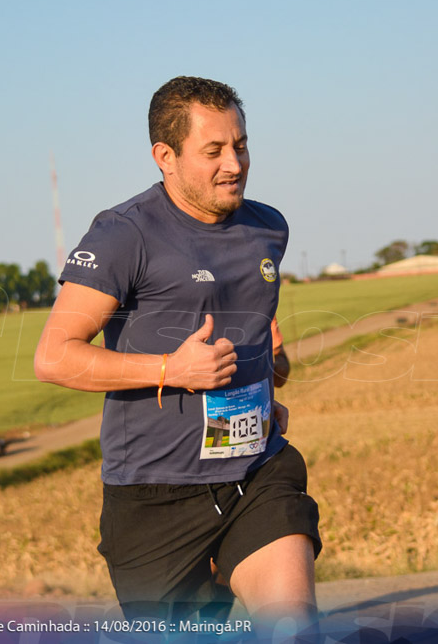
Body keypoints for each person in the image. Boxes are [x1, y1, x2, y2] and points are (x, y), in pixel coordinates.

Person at [35, 76, 319, 629]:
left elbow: (249, 328)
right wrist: (172, 369)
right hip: (153, 496)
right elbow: (54, 356)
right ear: (164, 156)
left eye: (240, 144)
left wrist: (260, 395)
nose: (234, 164)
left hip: (255, 474)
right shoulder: (124, 234)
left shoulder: (268, 228)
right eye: (213, 151)